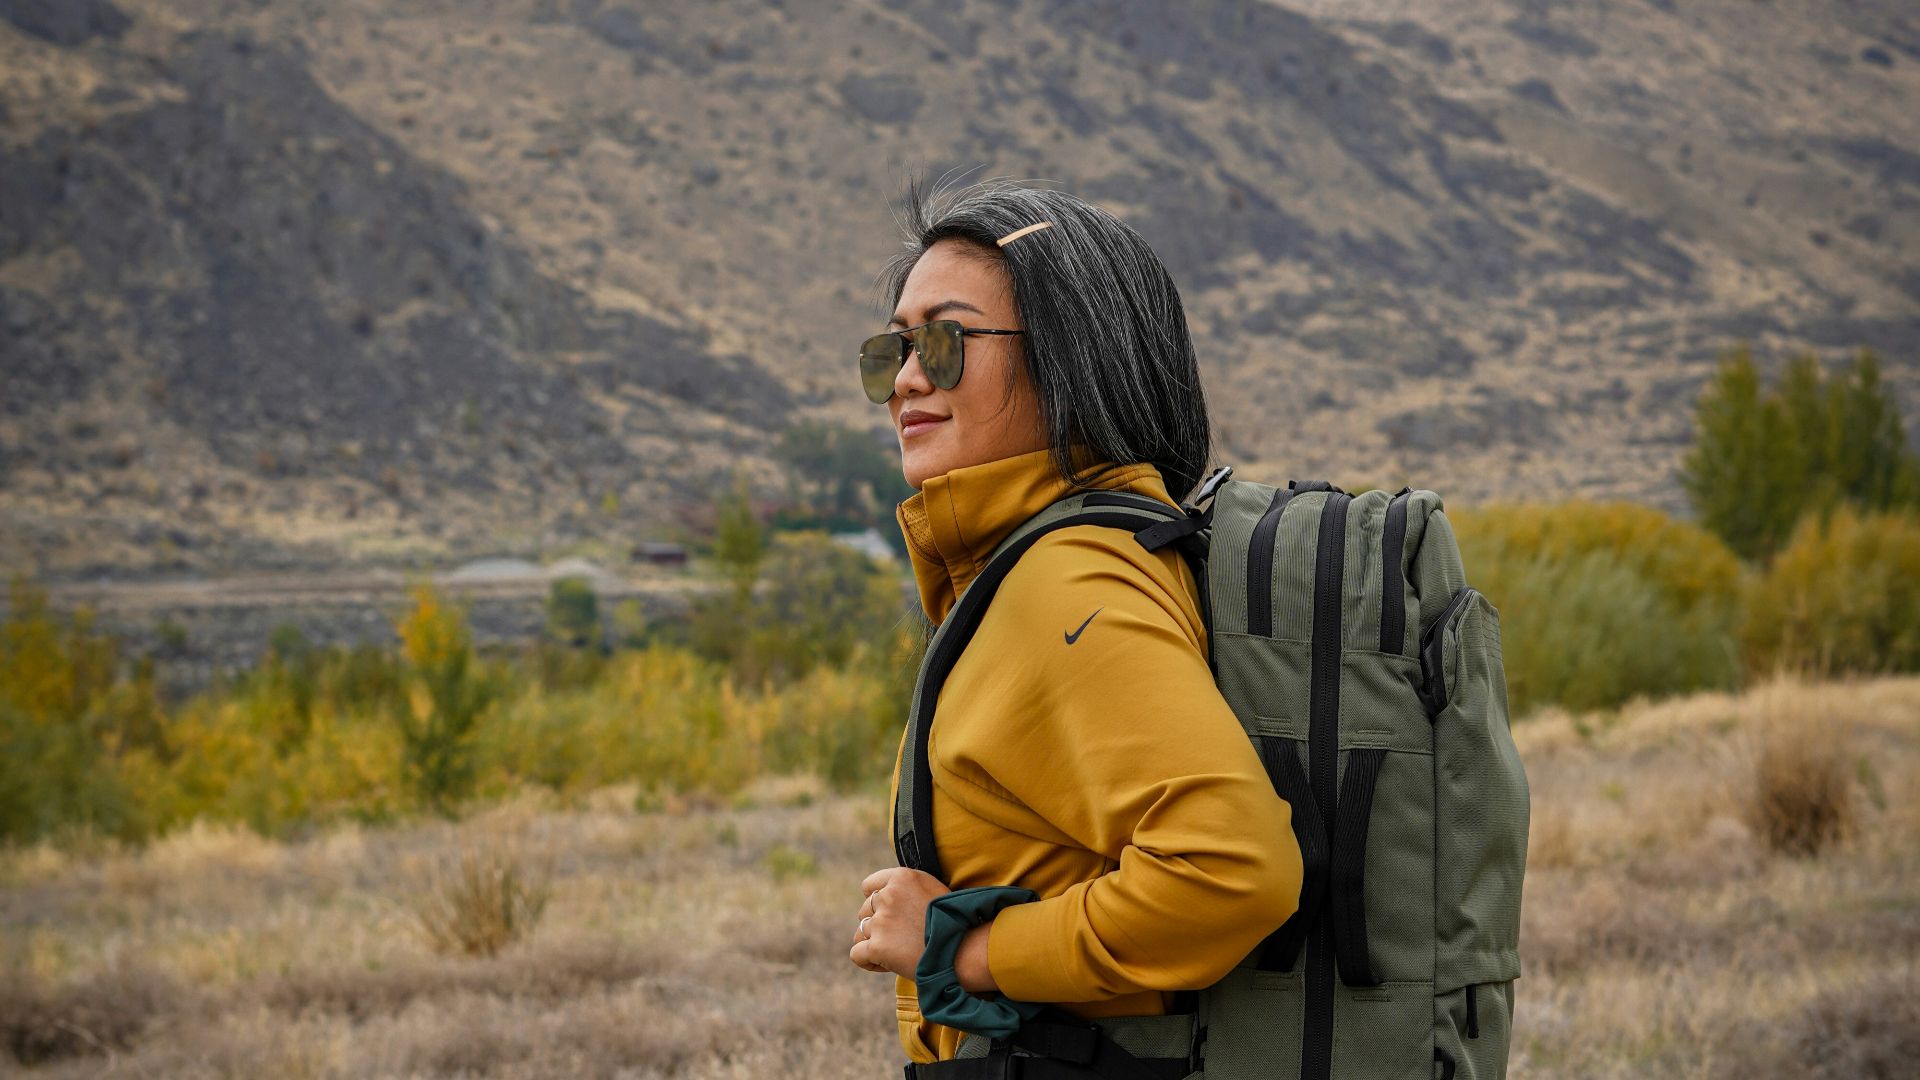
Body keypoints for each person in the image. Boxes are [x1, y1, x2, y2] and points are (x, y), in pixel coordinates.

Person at [845, 175, 1305, 1069]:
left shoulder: (1066, 580)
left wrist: (964, 949)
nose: (906, 378)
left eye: (945, 342)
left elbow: (1232, 869)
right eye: (893, 348)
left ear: (1068, 356)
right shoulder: (1061, 559)